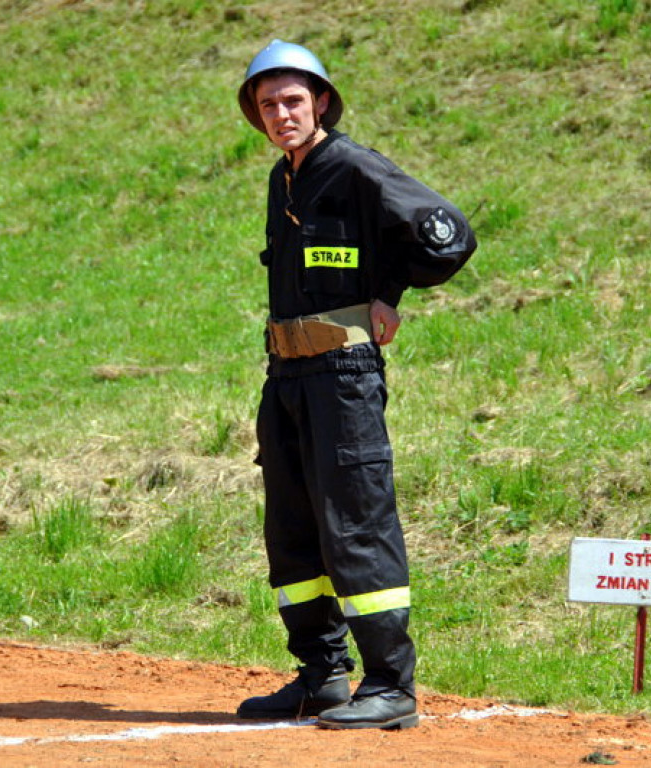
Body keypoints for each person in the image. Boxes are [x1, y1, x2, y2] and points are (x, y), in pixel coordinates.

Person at [235, 40, 477, 731]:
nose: (281, 114)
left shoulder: (355, 166)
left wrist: (388, 292)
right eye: (267, 105)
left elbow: (448, 235)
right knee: (293, 528)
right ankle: (322, 678)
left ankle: (391, 686)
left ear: (320, 102)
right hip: (285, 375)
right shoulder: (285, 178)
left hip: (342, 376)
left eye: (292, 101)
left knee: (356, 523)